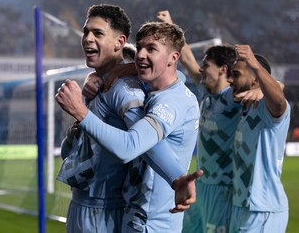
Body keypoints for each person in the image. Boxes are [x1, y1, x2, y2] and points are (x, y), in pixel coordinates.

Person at [56, 21, 201, 232]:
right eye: (140, 47)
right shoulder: (151, 87)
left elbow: (129, 147)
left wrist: (80, 112)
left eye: (151, 49)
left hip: (154, 223)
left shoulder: (173, 102)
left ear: (173, 58)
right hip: (133, 216)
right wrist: (104, 73)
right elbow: (175, 74)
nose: (141, 54)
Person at [157, 10, 263, 233]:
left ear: (223, 69)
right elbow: (186, 59)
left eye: (207, 65)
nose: (201, 69)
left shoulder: (234, 98)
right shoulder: (206, 92)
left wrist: (263, 90)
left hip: (222, 188)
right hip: (200, 186)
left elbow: (275, 90)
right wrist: (170, 25)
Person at [56, 3, 146, 233]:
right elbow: (73, 154)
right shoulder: (96, 85)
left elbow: (140, 150)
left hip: (106, 211)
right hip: (80, 205)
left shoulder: (127, 90)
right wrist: (74, 132)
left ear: (119, 42)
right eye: (86, 31)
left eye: (98, 33)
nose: (87, 38)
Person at [228, 45, 290, 233]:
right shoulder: (246, 107)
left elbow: (279, 101)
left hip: (262, 208)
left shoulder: (267, 110)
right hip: (242, 206)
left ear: (255, 78)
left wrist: (254, 63)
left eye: (236, 74)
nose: (230, 80)